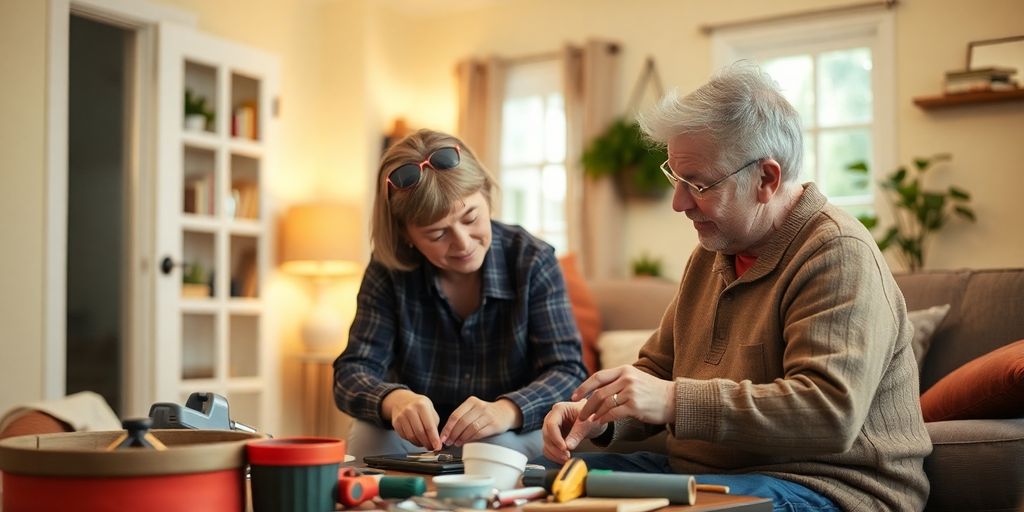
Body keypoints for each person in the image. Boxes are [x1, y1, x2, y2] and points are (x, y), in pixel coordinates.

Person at [539, 63, 932, 511]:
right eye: (676, 178)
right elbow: (657, 370)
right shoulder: (712, 252)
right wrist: (598, 415)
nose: (679, 203)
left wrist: (672, 401)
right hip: (703, 475)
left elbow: (829, 412)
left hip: (825, 485)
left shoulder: (836, 253)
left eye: (698, 184)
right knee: (540, 486)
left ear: (767, 178)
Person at [334, 129, 588, 462]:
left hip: (507, 433)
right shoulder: (388, 270)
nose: (463, 243)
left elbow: (568, 371)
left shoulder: (532, 261)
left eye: (471, 218)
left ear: (486, 194)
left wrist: (506, 410)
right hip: (417, 439)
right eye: (437, 234)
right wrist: (393, 401)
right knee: (369, 440)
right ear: (406, 235)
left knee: (494, 455)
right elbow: (352, 372)